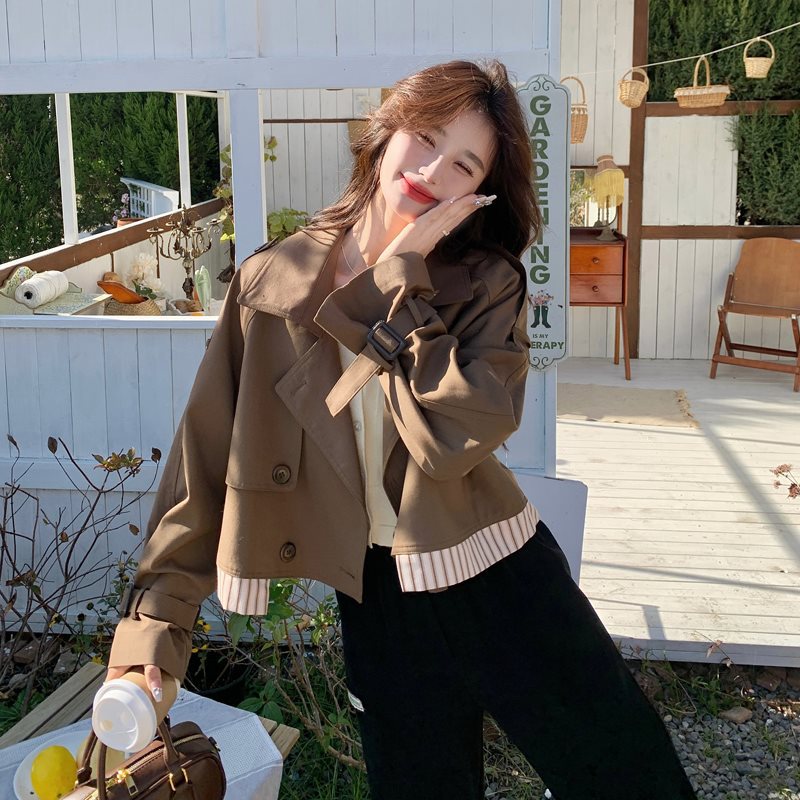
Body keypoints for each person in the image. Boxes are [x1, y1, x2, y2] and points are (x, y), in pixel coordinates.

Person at [105, 60, 697, 800]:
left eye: (465, 164)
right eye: (426, 136)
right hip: (379, 598)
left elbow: (454, 436)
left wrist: (396, 282)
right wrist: (153, 633)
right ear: (386, 132)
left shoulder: (486, 283)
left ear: (480, 191)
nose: (433, 171)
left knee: (631, 777)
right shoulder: (272, 284)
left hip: (502, 578)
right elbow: (202, 466)